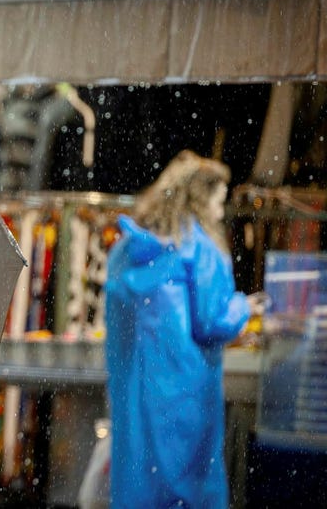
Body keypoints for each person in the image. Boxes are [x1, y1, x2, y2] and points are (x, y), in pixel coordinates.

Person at [104, 150, 265, 508]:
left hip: (136, 395)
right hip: (187, 395)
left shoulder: (128, 249)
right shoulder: (199, 250)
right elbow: (212, 322)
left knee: (140, 481)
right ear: (201, 199)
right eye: (218, 202)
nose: (220, 213)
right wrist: (243, 306)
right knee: (189, 485)